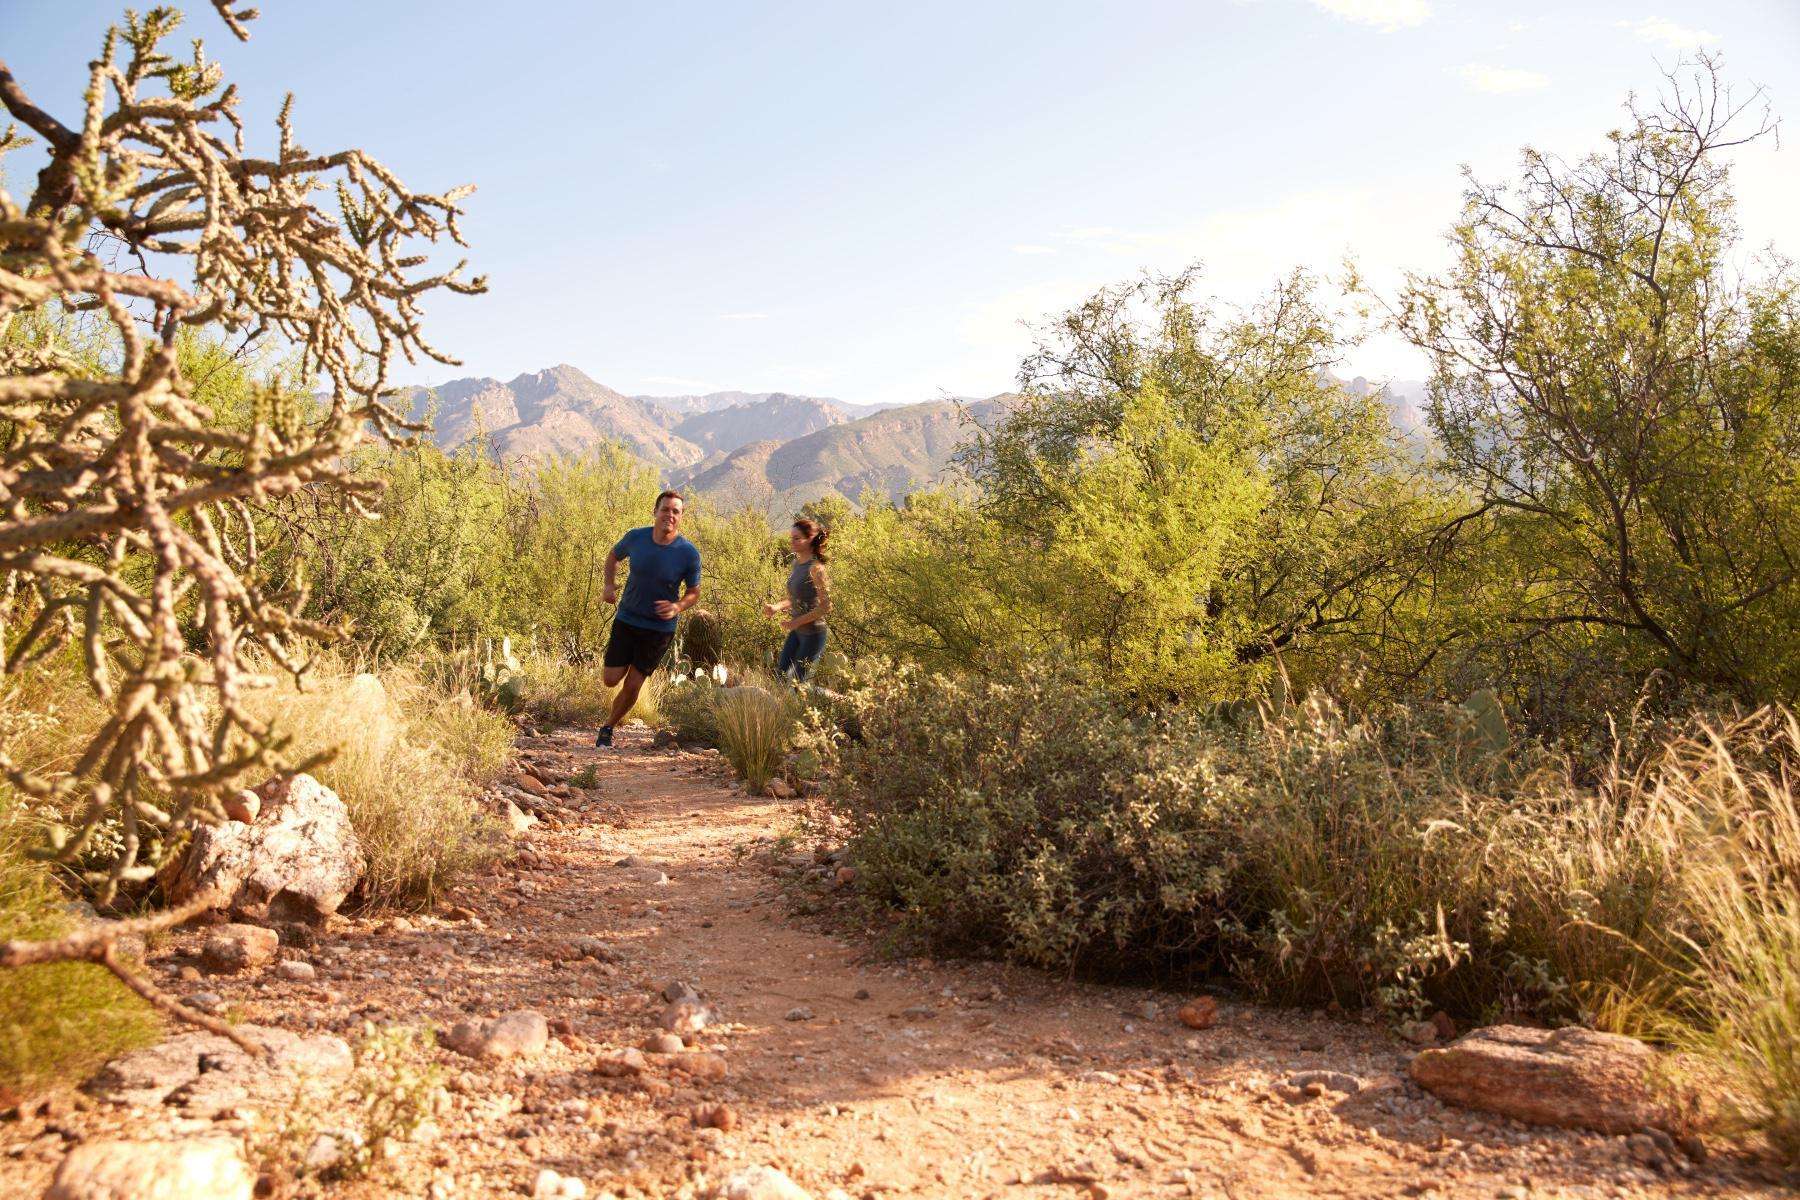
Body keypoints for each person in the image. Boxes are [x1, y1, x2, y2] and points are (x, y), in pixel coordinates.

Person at [597, 490, 701, 746]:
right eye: (665, 509)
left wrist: (677, 607)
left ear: (681, 517)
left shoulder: (688, 552)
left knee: (633, 684)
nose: (670, 515)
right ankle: (612, 712)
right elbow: (613, 556)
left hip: (659, 629)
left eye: (675, 511)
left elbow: (694, 592)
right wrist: (609, 586)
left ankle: (608, 728)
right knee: (611, 679)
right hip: (627, 619)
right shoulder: (636, 537)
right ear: (655, 512)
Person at [762, 517, 832, 683]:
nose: (792, 542)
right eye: (791, 538)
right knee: (780, 675)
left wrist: (796, 622)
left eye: (797, 538)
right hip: (798, 631)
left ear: (810, 540)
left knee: (797, 683)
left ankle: (803, 708)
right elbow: (794, 598)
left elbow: (826, 606)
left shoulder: (816, 569)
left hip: (814, 634)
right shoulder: (796, 564)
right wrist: (776, 607)